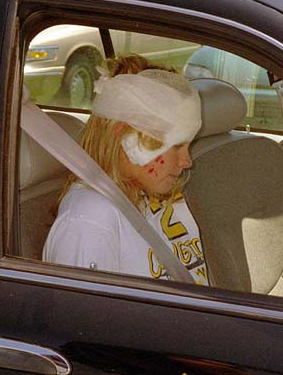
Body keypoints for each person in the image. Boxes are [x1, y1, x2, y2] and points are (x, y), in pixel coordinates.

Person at [42, 55, 208, 285]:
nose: (187, 161)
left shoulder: (155, 195)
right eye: (176, 146)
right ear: (126, 137)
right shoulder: (90, 222)